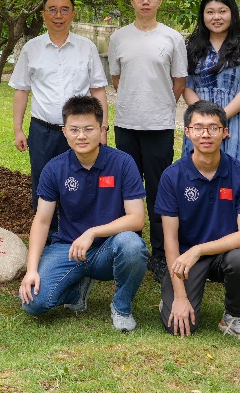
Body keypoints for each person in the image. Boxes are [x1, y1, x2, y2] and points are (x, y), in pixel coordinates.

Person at [19, 95, 149, 333]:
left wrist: (93, 232)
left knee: (132, 245)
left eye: (89, 129)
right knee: (34, 303)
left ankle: (121, 306)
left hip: (109, 248)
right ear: (64, 131)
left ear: (101, 129)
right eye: (74, 129)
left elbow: (137, 218)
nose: (81, 136)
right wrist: (31, 270)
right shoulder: (54, 168)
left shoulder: (123, 163)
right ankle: (77, 289)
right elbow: (42, 221)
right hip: (68, 248)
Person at [155, 100, 240, 345]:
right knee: (177, 327)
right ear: (187, 132)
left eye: (213, 128)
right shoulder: (172, 176)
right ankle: (170, 297)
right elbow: (170, 239)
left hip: (223, 254)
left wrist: (199, 249)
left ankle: (233, 317)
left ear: (225, 132)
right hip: (184, 258)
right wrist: (180, 298)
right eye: (198, 128)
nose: (205, 134)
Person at [106, 0, 187, 282]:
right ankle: (130, 248)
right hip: (126, 123)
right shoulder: (119, 37)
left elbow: (179, 81)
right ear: (131, 1)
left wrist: (160, 103)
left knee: (158, 190)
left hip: (159, 125)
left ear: (160, 0)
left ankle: (160, 253)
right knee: (127, 189)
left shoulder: (172, 38)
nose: (145, 1)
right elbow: (117, 79)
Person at [9, 0, 108, 214]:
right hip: (43, 131)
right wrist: (18, 129)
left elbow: (98, 90)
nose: (58, 15)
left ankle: (81, 229)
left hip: (81, 131)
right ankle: (48, 231)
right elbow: (21, 91)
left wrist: (102, 129)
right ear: (43, 14)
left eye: (65, 10)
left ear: (73, 14)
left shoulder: (87, 47)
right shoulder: (31, 49)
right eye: (52, 10)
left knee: (84, 181)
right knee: (44, 183)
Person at [182, 0, 240, 172]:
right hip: (199, 120)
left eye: (222, 11)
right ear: (203, 15)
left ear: (232, 14)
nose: (216, 17)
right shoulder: (191, 47)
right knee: (196, 171)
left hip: (235, 118)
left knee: (234, 172)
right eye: (210, 12)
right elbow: (186, 85)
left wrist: (220, 118)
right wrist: (205, 119)